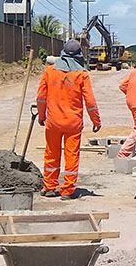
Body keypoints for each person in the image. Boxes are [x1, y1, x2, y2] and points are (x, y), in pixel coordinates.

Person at [36, 39, 101, 199]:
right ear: (79, 54)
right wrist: (96, 121)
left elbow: (41, 98)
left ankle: (50, 187)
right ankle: (67, 190)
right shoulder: (82, 74)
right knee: (71, 155)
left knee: (51, 153)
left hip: (53, 122)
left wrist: (41, 115)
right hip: (73, 124)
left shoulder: (50, 72)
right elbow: (90, 101)